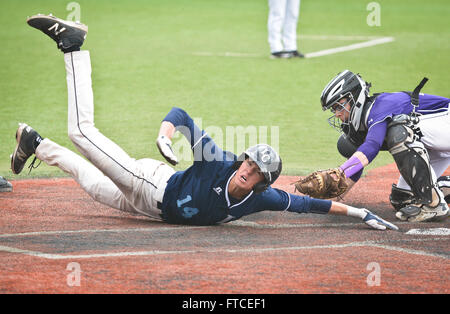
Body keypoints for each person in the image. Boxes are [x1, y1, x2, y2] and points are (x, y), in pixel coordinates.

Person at [11, 14, 398, 230]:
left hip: (150, 211)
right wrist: (165, 137)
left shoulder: (260, 198)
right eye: (247, 162)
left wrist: (359, 212)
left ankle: (35, 142)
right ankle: (73, 47)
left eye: (254, 170)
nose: (245, 169)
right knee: (82, 133)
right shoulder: (218, 160)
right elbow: (180, 116)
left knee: (92, 185)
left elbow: (306, 204)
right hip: (151, 183)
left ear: (262, 182)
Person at [320, 70, 450, 222]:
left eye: (339, 106)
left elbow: (372, 147)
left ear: (354, 98)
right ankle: (440, 187)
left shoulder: (380, 107)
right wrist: (329, 200)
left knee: (399, 132)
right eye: (333, 109)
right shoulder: (362, 122)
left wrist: (340, 172)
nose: (336, 114)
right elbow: (357, 166)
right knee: (402, 199)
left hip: (445, 124)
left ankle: (435, 204)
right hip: (436, 140)